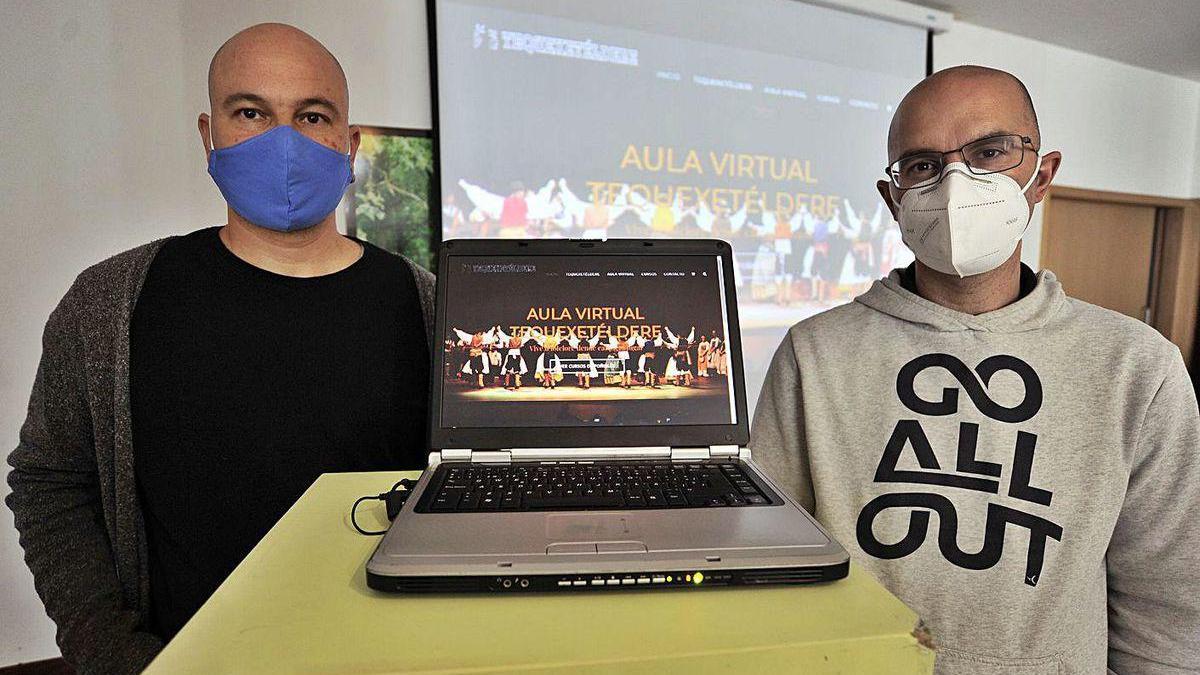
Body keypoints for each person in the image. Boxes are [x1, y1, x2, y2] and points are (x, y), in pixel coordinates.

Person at [6, 24, 436, 674]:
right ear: (210, 135)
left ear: (349, 146)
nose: (282, 141)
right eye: (251, 112)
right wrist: (114, 653)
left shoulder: (428, 305)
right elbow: (51, 481)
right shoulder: (110, 303)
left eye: (311, 115)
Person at [751, 65, 1200, 673]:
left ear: (1041, 176)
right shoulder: (813, 353)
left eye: (990, 152)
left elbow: (1167, 606)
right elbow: (774, 566)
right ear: (894, 198)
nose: (957, 182)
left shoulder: (1139, 368)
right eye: (923, 165)